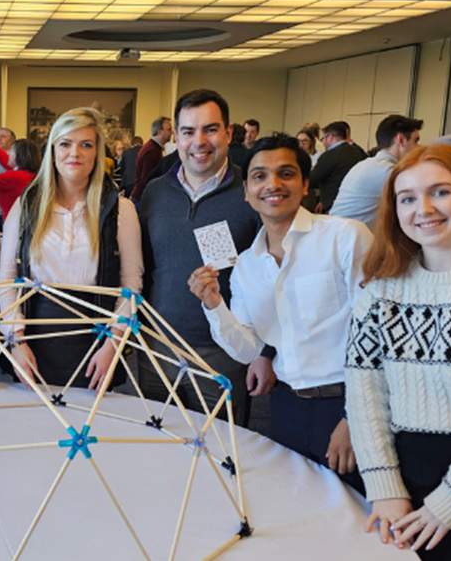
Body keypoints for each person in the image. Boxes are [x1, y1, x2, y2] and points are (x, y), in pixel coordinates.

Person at [188, 133, 373, 488]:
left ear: (305, 185)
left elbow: (377, 333)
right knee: (298, 504)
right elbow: (248, 349)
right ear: (246, 192)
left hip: (347, 402)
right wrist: (214, 305)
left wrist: (356, 418)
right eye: (259, 176)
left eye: (285, 174)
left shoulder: (345, 238)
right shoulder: (246, 266)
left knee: (358, 514)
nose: (272, 184)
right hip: (287, 405)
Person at [345, 144, 451, 560]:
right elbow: (365, 393)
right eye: (407, 198)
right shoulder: (380, 289)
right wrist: (384, 486)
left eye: (440, 192)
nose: (423, 208)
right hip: (404, 483)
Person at [0, 107, 142, 389]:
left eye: (85, 145)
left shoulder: (120, 210)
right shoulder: (27, 206)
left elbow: (131, 283)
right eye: (65, 143)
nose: (74, 153)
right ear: (52, 150)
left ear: (97, 154)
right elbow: (6, 275)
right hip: (33, 344)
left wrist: (113, 344)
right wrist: (15, 340)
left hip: (96, 347)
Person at [139, 90, 261, 425]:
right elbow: (142, 269)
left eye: (210, 129)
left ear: (229, 133)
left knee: (220, 453)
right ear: (175, 136)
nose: (199, 142)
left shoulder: (251, 196)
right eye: (189, 132)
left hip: (223, 354)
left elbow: (272, 280)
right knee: (153, 445)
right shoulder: (155, 193)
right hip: (157, 348)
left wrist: (265, 353)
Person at [331, 115, 423, 230]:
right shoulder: (388, 171)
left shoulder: (367, 164)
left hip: (338, 236)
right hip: (349, 242)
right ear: (401, 140)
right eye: (416, 141)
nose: (419, 148)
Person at [0, 130, 40, 223]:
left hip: (13, 226)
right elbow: (2, 158)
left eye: (11, 151)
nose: (8, 153)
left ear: (19, 155)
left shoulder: (15, 177)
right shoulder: (29, 173)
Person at [310, 120, 366, 213]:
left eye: (323, 138)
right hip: (356, 205)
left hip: (334, 206)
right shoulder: (359, 152)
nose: (323, 142)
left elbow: (313, 179)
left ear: (330, 137)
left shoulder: (329, 155)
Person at [130, 117, 172, 204]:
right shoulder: (152, 151)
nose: (172, 132)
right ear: (160, 132)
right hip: (143, 199)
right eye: (169, 129)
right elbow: (147, 179)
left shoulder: (153, 148)